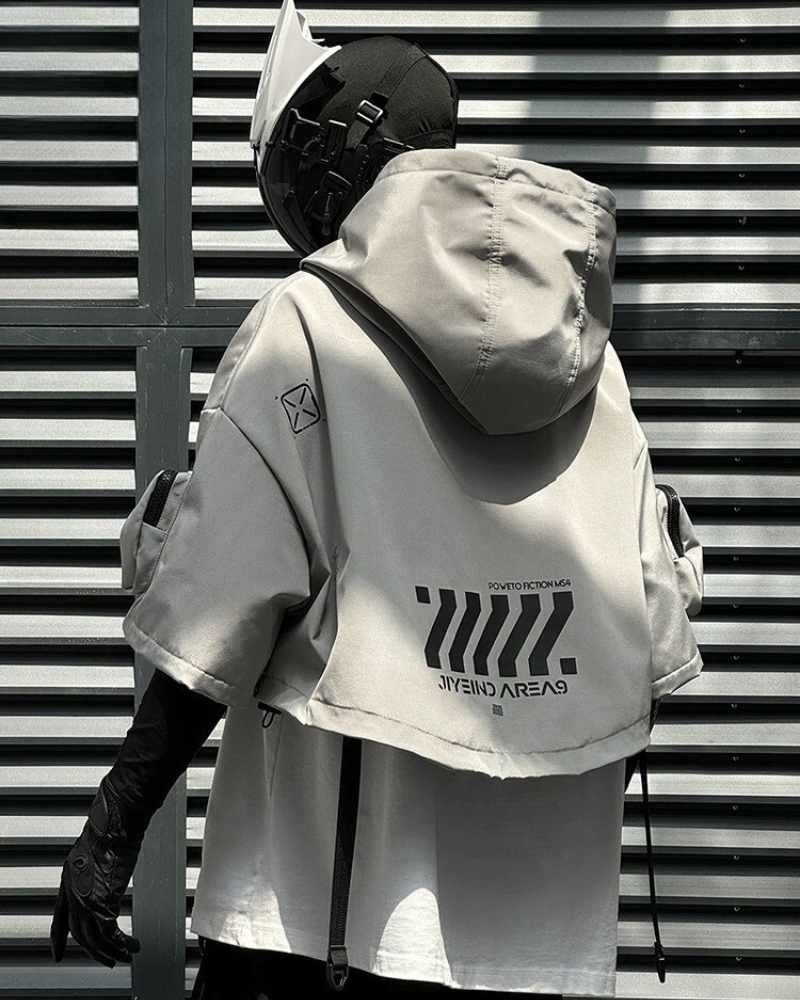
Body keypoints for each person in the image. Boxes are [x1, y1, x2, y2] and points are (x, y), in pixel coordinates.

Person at [49, 3, 704, 998]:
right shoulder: (584, 356)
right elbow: (651, 624)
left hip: (321, 901)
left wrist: (115, 823)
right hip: (540, 913)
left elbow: (223, 597)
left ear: (333, 162)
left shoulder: (305, 325)